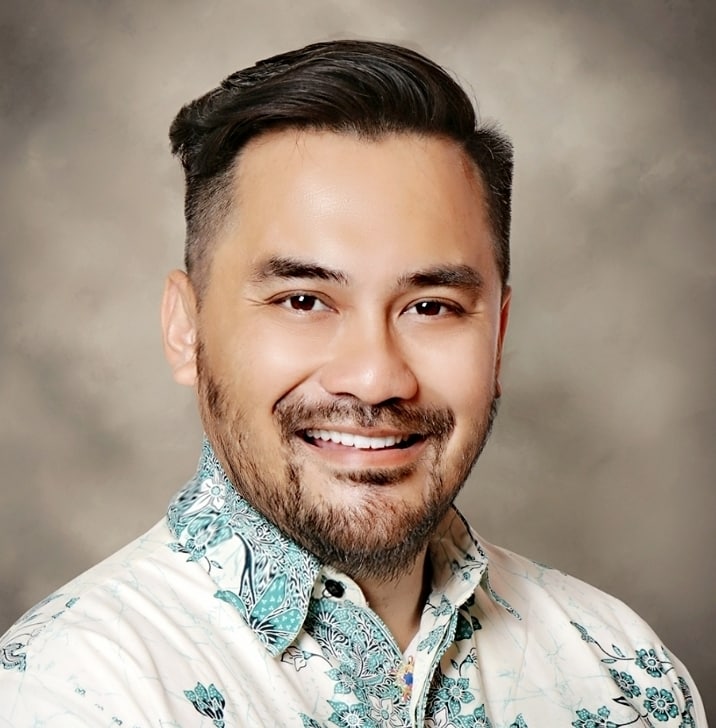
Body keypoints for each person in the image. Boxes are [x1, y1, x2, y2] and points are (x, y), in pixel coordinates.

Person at [0, 39, 706, 727]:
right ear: (186, 329)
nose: (374, 379)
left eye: (431, 307)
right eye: (303, 300)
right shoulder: (72, 695)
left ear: (497, 334)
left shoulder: (624, 673)